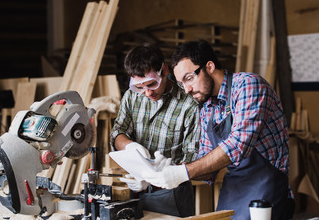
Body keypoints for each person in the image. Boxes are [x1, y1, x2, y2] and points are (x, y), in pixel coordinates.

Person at [142, 40, 295, 220]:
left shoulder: (248, 85)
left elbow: (238, 146)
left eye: (189, 78)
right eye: (181, 84)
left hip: (266, 192)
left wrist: (183, 172)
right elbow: (207, 167)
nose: (187, 90)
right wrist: (167, 170)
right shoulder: (207, 108)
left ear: (210, 66)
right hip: (234, 191)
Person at [110, 43, 201, 217]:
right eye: (139, 86)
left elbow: (193, 157)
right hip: (135, 189)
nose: (147, 93)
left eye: (152, 84)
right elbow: (117, 132)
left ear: (165, 70)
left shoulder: (189, 104)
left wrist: (168, 171)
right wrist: (129, 146)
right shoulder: (132, 96)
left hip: (171, 193)